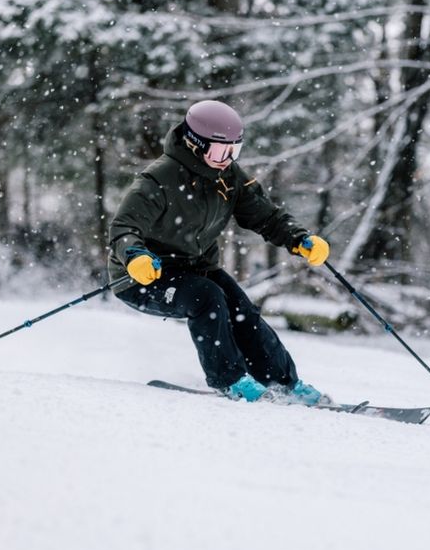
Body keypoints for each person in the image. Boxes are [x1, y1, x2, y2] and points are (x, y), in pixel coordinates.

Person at [108, 100, 330, 405]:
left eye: (233, 151)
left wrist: (300, 239)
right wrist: (135, 256)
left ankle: (282, 381)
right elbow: (124, 227)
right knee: (206, 298)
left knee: (241, 307)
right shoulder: (158, 180)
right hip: (145, 275)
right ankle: (229, 380)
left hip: (196, 266)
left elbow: (265, 216)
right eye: (220, 151)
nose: (227, 159)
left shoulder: (229, 177)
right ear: (196, 144)